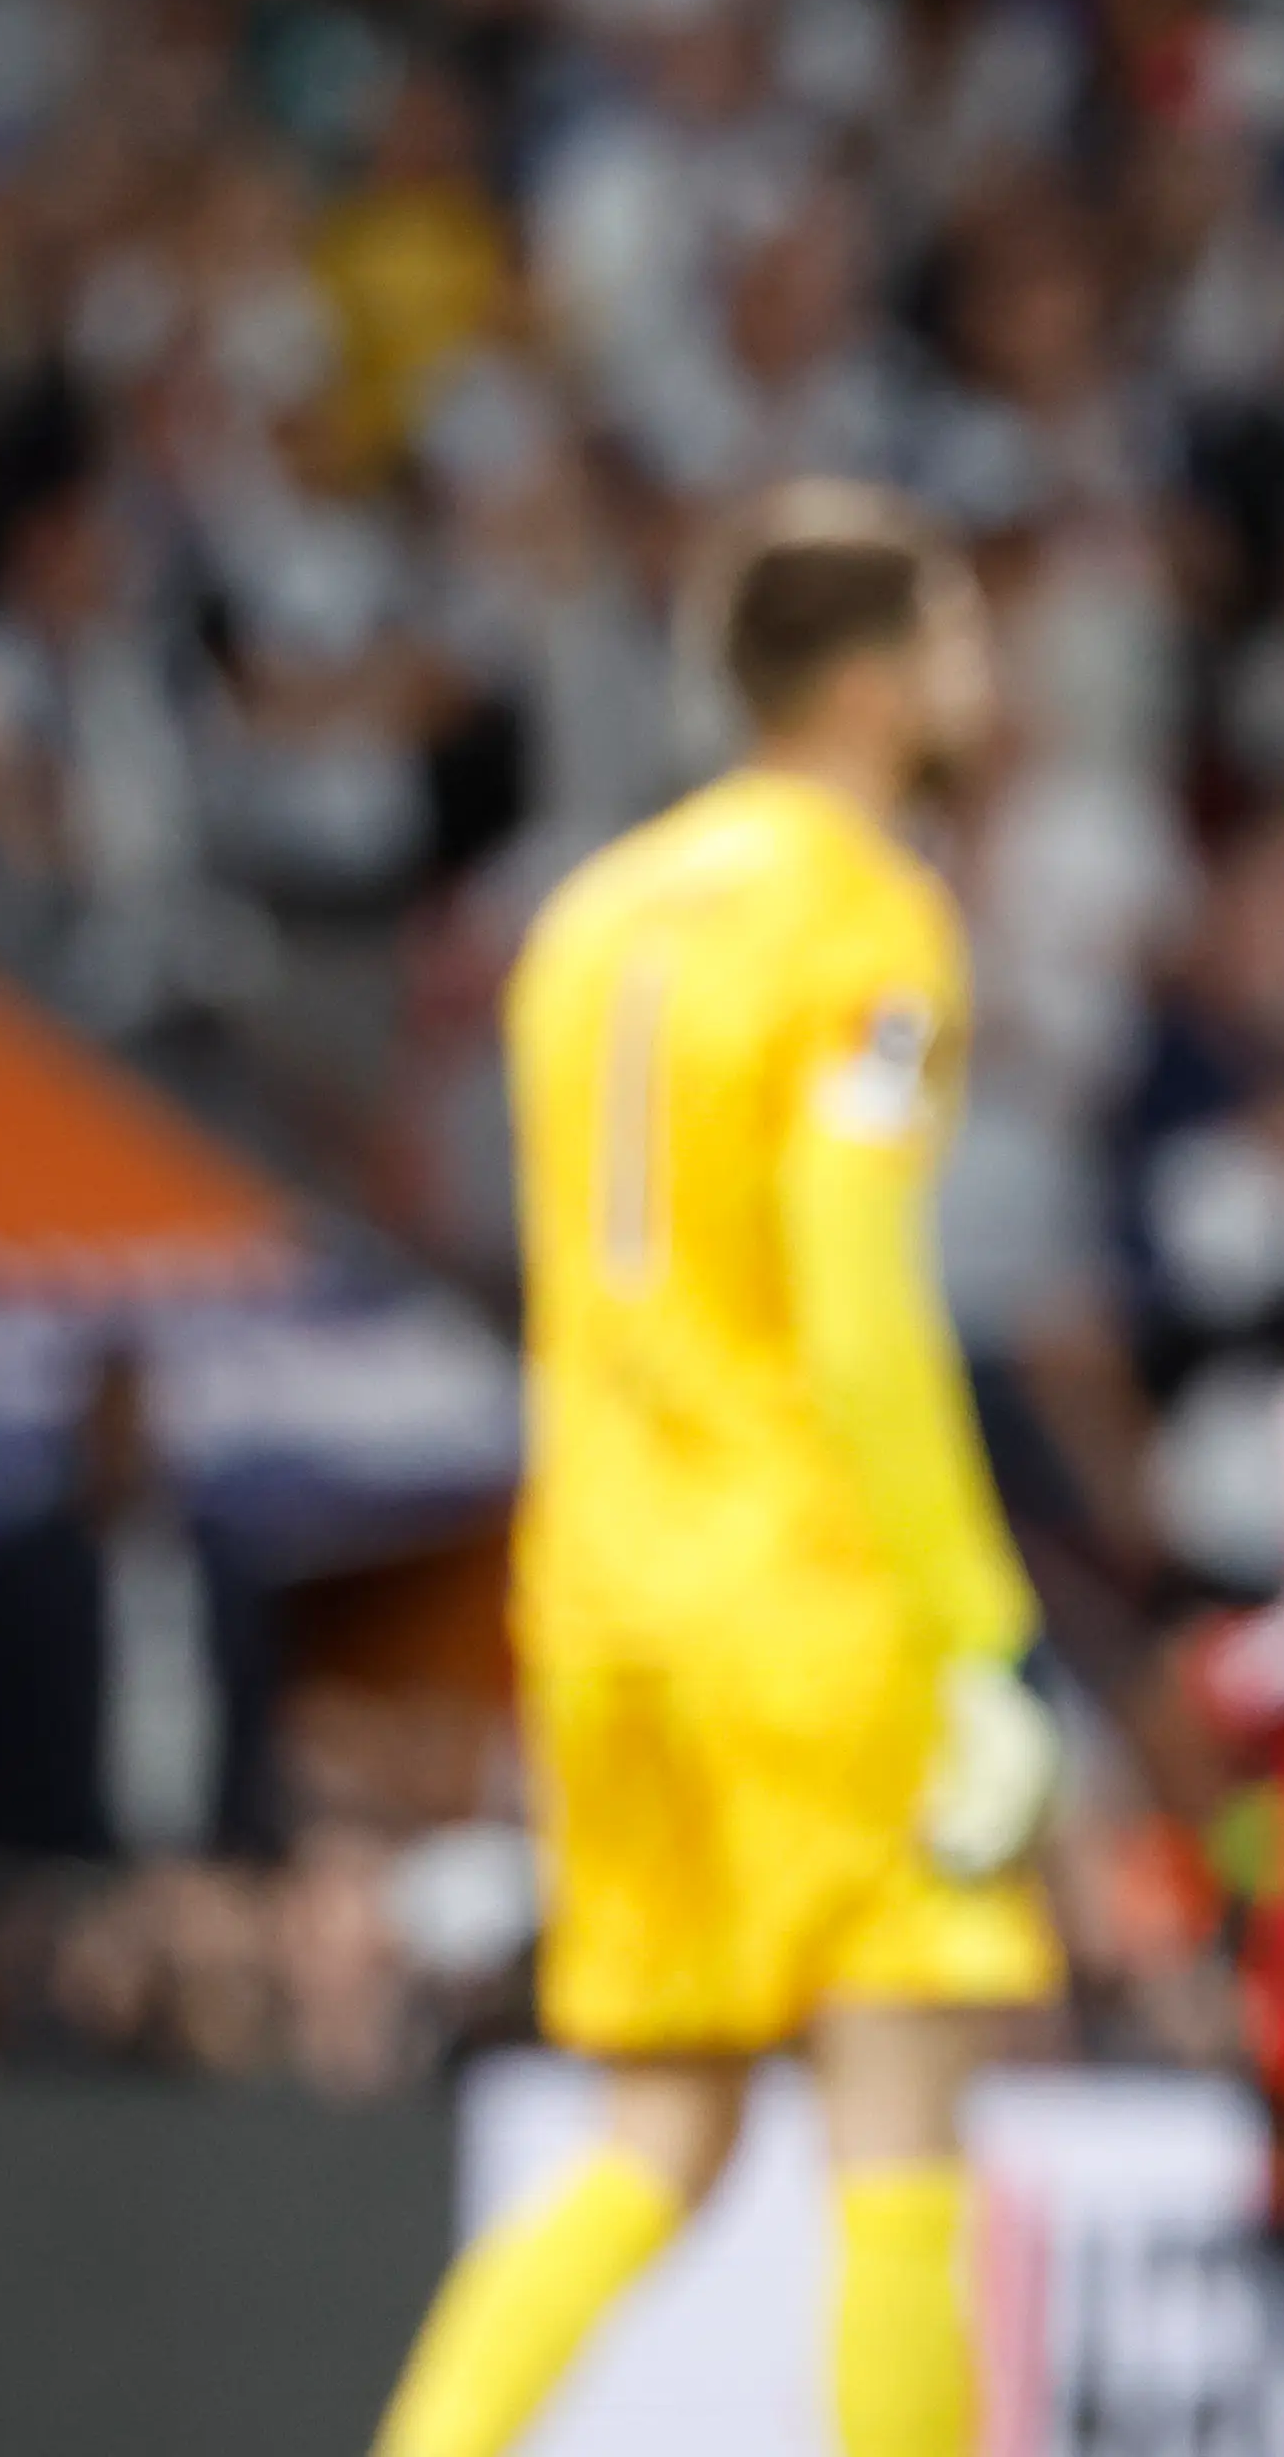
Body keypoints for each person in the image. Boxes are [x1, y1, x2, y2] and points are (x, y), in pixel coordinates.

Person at [371, 484, 1063, 2457]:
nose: (976, 668)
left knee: (655, 2133)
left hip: (601, 1595)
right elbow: (855, 1310)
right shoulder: (869, 912)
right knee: (900, 2129)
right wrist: (984, 1630)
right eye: (947, 633)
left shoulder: (581, 919)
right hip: (808, 1599)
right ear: (862, 684)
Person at [0, 1338, 278, 1863]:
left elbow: (253, 1718)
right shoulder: (25, 1576)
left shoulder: (220, 1569)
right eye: (111, 1426)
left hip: (204, 1864)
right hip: (55, 1867)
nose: (126, 1443)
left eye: (137, 1424)